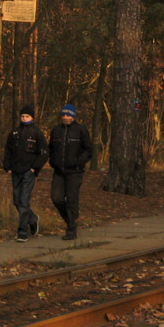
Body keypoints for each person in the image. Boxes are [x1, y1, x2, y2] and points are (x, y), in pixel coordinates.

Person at [1, 105, 49, 242]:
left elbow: (44, 153)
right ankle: (32, 219)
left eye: (27, 116)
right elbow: (8, 150)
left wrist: (35, 168)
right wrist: (7, 166)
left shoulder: (37, 133)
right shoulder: (15, 132)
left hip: (28, 171)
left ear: (32, 117)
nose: (24, 118)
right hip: (15, 170)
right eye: (22, 116)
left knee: (23, 200)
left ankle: (22, 231)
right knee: (16, 200)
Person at [48, 103, 92, 240]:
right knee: (56, 198)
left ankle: (71, 228)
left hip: (75, 171)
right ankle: (70, 220)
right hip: (59, 171)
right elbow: (51, 148)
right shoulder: (56, 130)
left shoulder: (80, 130)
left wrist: (79, 162)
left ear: (73, 116)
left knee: (72, 199)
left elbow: (88, 150)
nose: (65, 117)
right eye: (63, 115)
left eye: (68, 115)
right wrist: (52, 161)